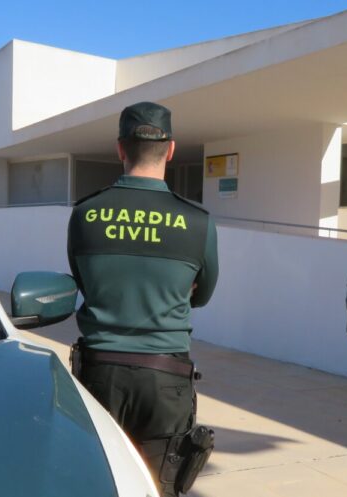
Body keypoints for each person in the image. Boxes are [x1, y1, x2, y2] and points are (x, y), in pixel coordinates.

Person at [67, 101, 219, 496]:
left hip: (100, 374)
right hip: (165, 379)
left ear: (120, 149)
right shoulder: (198, 222)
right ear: (171, 149)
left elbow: (84, 283)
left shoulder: (86, 213)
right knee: (159, 487)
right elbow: (203, 295)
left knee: (98, 482)